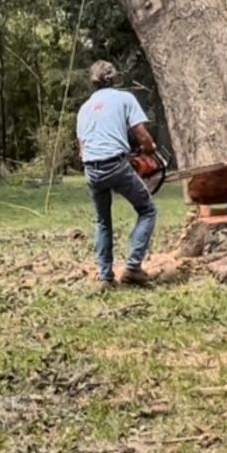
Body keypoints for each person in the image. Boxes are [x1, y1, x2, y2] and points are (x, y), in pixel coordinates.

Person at [77, 60, 158, 288]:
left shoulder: (84, 108)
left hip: (91, 168)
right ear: (114, 78)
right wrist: (149, 148)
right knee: (147, 210)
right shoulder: (125, 99)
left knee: (102, 222)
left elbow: (82, 148)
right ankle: (133, 267)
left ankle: (105, 277)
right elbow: (142, 136)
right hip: (115, 164)